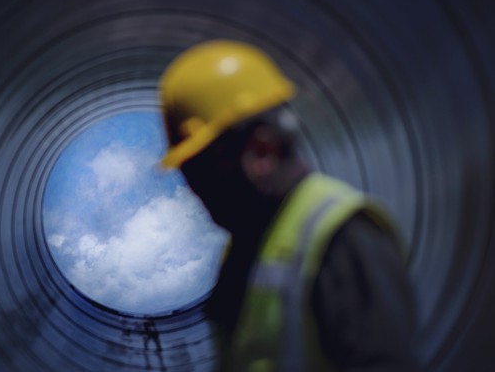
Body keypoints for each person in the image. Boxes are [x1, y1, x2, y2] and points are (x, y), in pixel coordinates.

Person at [159, 40, 419, 371]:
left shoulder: (342, 237)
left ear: (262, 151)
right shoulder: (251, 244)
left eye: (202, 173)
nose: (194, 191)